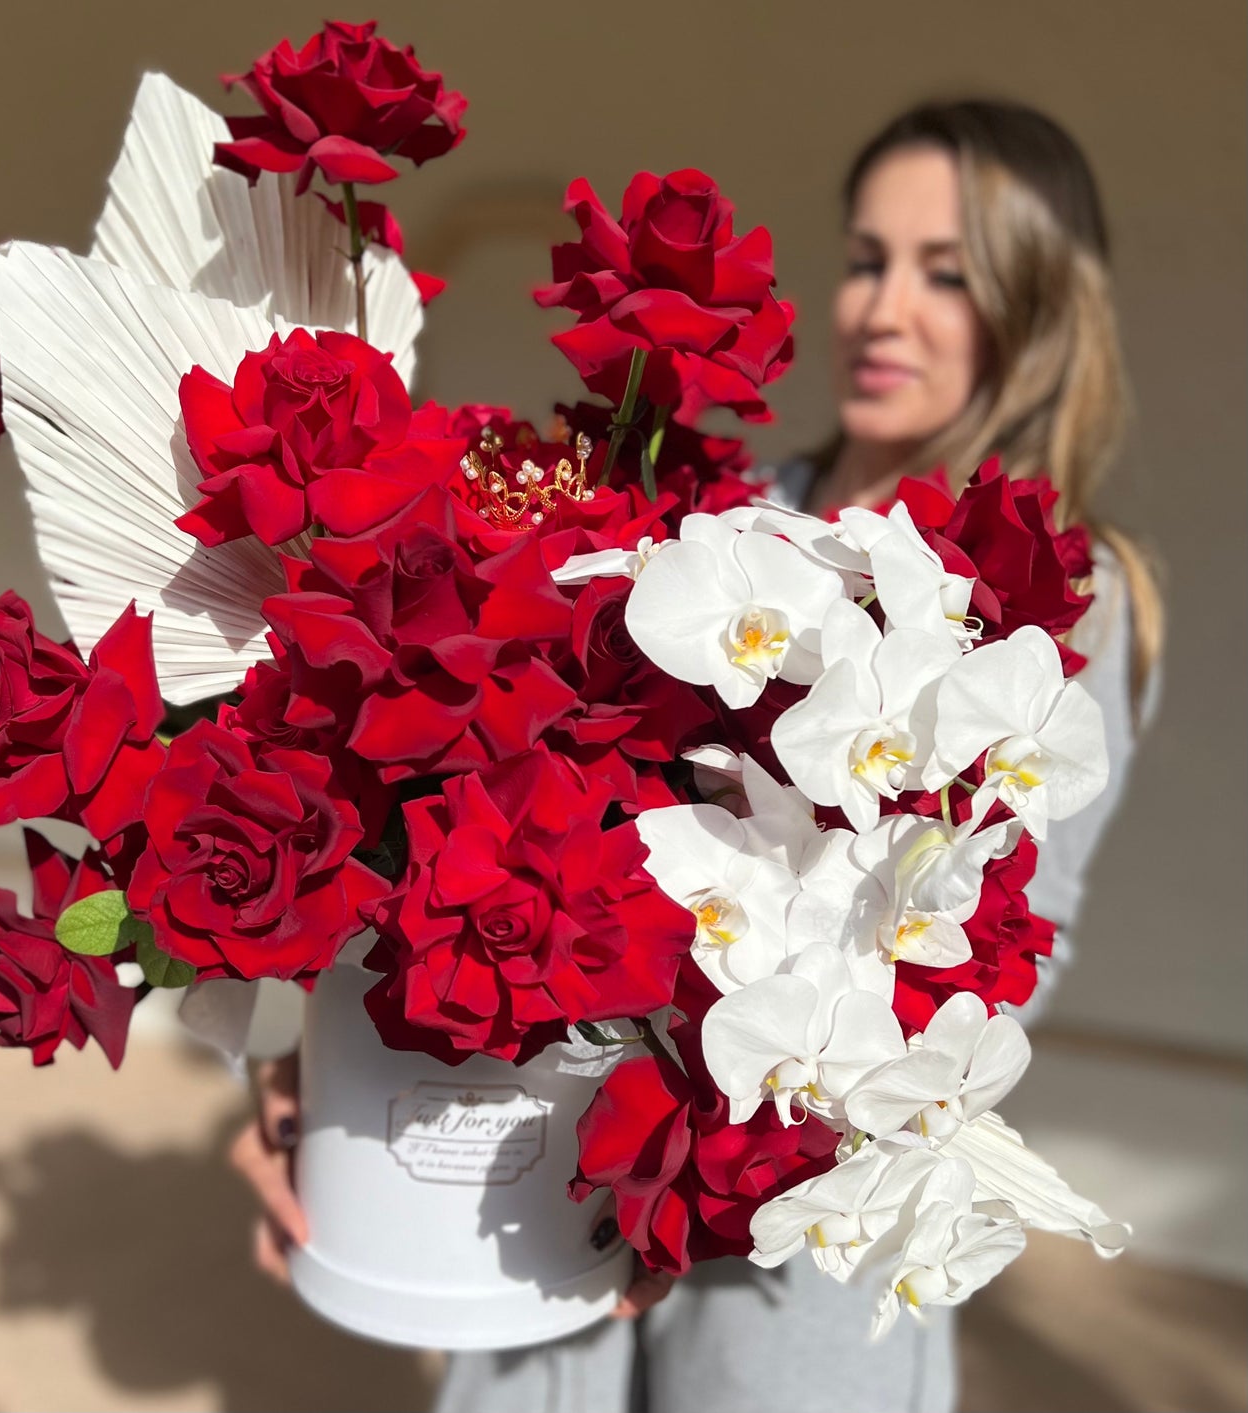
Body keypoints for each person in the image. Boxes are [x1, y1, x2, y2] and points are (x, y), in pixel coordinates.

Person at [230, 98, 1163, 1413]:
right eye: (863, 257)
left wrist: (762, 1048)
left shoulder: (1064, 595)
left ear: (1037, 305)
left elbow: (1017, 950)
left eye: (944, 272)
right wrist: (335, 1068)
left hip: (801, 1169)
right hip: (585, 1121)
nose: (880, 308)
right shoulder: (730, 519)